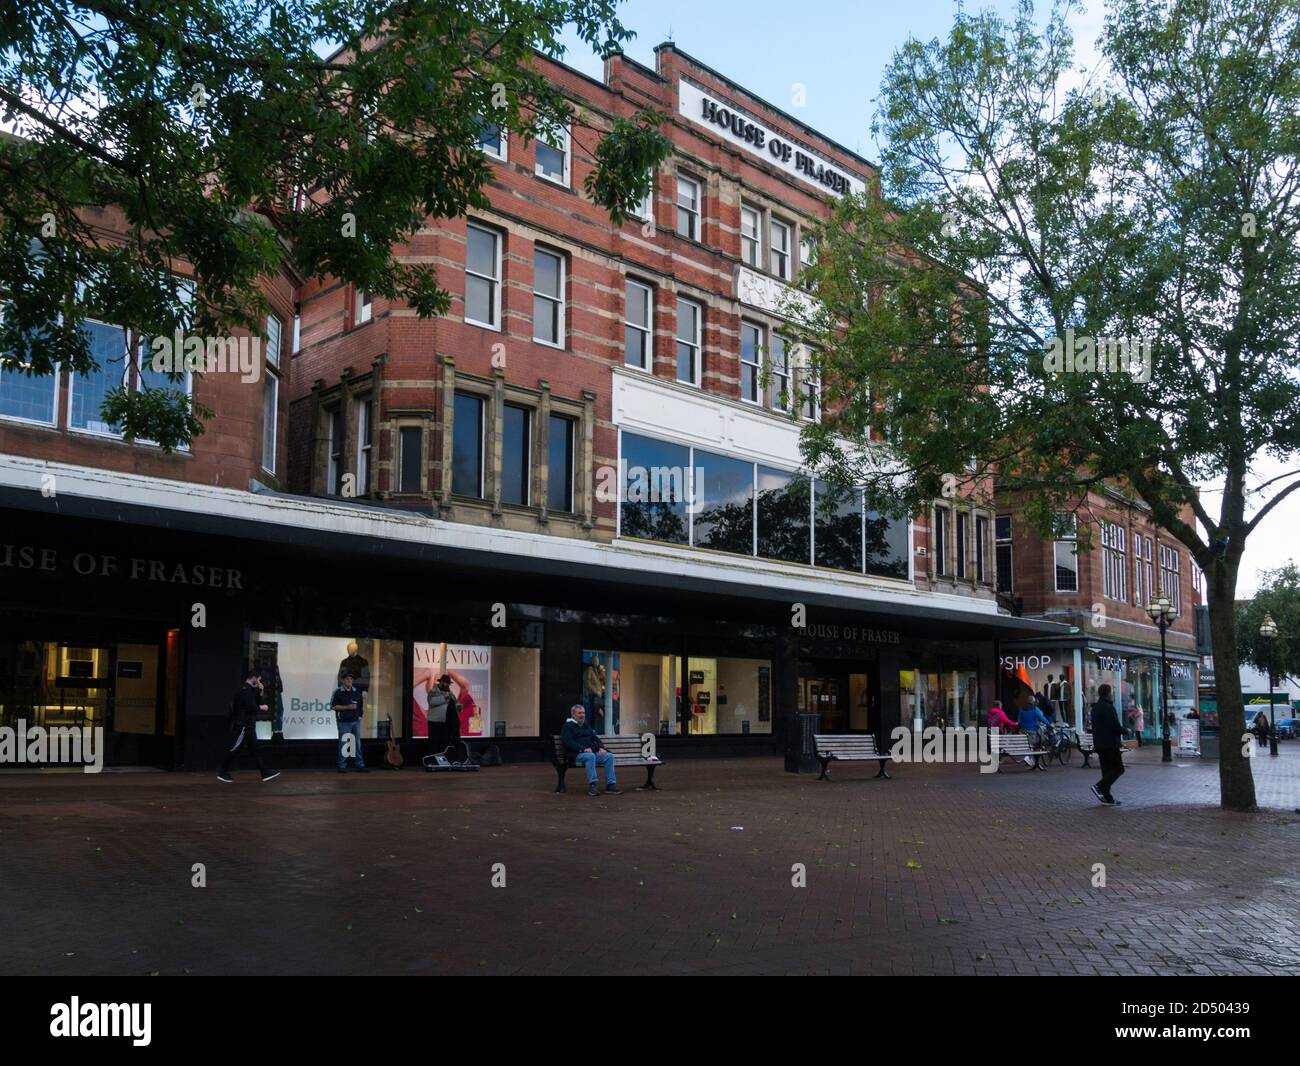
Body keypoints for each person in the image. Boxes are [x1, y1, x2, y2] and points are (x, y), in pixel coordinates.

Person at [217, 667, 281, 783]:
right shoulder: (245, 690)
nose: (259, 682)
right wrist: (262, 707)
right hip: (243, 726)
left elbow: (254, 702)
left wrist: (261, 691)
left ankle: (264, 773)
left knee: (255, 749)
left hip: (249, 726)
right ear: (253, 678)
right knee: (235, 748)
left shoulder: (248, 690)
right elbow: (251, 707)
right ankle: (222, 771)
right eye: (258, 680)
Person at [561, 703, 621, 796]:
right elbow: (568, 742)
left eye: (583, 713)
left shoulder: (586, 725)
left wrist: (601, 747)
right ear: (573, 714)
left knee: (609, 756)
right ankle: (592, 786)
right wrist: (583, 749)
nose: (582, 715)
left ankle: (611, 785)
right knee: (590, 756)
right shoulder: (567, 726)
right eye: (579, 713)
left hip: (590, 753)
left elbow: (595, 738)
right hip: (575, 755)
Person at [1090, 683, 1126, 806]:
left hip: (1099, 744)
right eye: (1111, 692)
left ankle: (1107, 797)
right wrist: (1126, 730)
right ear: (1108, 694)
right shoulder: (1108, 708)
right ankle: (1099, 787)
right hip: (1110, 744)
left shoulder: (1095, 708)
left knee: (1106, 771)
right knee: (1118, 768)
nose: (1112, 694)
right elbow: (1114, 726)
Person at [331, 672, 369, 773]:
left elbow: (360, 705)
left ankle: (360, 765)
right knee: (344, 743)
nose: (349, 681)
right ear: (343, 680)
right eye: (347, 679)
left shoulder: (356, 691)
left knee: (357, 743)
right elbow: (333, 706)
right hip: (343, 721)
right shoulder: (338, 692)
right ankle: (342, 766)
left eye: (351, 679)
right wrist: (347, 707)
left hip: (355, 721)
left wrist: (360, 716)